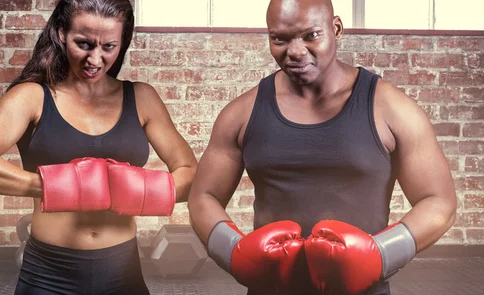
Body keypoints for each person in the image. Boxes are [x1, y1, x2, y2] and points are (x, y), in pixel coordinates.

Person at [187, 0, 457, 294]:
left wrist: (380, 254)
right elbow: (203, 197)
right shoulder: (241, 113)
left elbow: (439, 201)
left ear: (336, 28)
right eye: (280, 39)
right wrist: (233, 252)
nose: (295, 51)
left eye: (311, 35)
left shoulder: (390, 107)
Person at [0, 0, 197, 294]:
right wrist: (59, 187)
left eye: (108, 47)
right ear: (60, 33)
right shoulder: (32, 97)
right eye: (84, 44)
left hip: (123, 273)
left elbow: (192, 175)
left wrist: (138, 190)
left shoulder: (142, 98)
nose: (95, 59)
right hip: (49, 275)